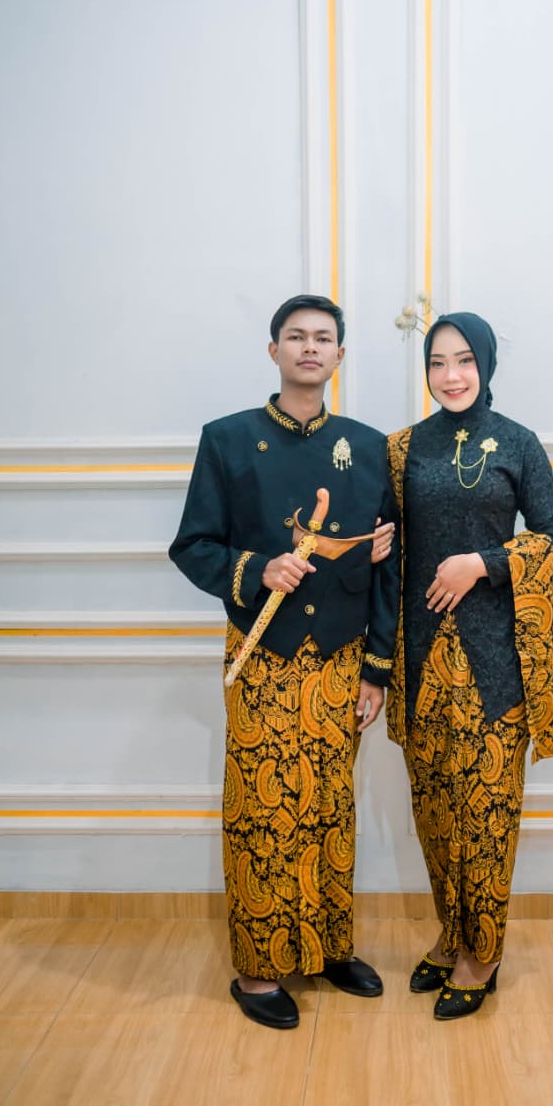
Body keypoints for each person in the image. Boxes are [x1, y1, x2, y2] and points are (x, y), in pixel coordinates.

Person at [169, 294, 399, 1029]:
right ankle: (259, 970)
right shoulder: (227, 439)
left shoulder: (370, 447)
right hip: (261, 654)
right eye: (295, 337)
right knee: (262, 810)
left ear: (339, 356)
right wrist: (255, 570)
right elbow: (192, 546)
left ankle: (327, 949)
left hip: (340, 659)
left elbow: (387, 565)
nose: (309, 348)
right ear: (274, 351)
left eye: (323, 338)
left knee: (330, 806)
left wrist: (377, 669)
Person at [386, 312, 553, 1020]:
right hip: (421, 657)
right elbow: (389, 550)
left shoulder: (518, 443)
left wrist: (481, 564)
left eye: (463, 360)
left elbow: (552, 539)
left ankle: (481, 955)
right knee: (434, 812)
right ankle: (451, 933)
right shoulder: (402, 449)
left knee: (487, 815)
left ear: (484, 365)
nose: (450, 375)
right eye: (437, 362)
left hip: (497, 661)